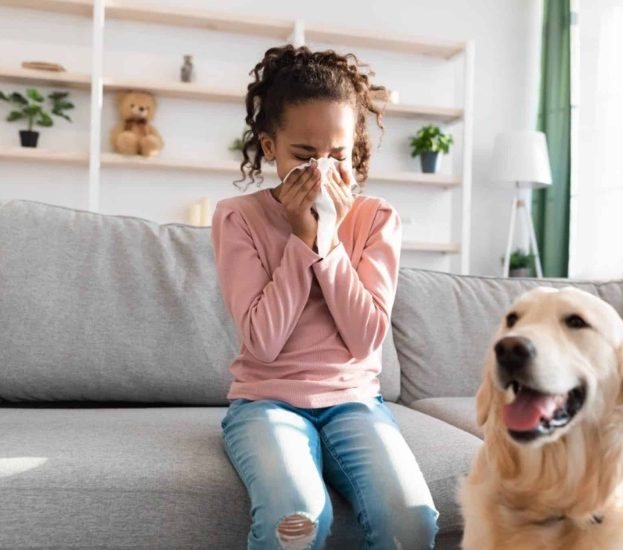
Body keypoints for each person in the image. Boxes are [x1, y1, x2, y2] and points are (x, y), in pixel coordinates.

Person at [211, 43, 439, 550]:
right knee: (297, 520)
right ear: (270, 147)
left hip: (355, 401)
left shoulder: (376, 218)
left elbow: (365, 341)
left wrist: (328, 241)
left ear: (354, 148)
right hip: (266, 402)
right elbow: (263, 343)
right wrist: (299, 241)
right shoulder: (237, 217)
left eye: (337, 156)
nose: (321, 172)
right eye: (303, 156)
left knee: (413, 521)